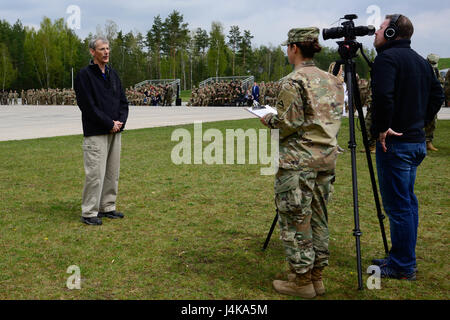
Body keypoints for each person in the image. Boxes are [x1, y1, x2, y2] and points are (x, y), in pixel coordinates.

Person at [260, 27, 344, 298]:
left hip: (298, 162)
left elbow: (289, 123)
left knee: (297, 220)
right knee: (319, 218)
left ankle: (301, 280)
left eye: (288, 47)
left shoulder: (293, 81)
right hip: (326, 160)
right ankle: (316, 277)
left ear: (294, 48)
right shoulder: (332, 80)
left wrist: (268, 119)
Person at [370, 15, 444, 279]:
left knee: (399, 206)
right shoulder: (421, 61)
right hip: (415, 142)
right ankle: (401, 256)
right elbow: (438, 95)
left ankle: (402, 265)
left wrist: (382, 127)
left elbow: (382, 96)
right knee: (407, 203)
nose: (375, 33)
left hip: (397, 144)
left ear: (391, 33)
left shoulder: (386, 60)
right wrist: (420, 123)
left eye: (380, 28)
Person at [74, 36, 129, 226]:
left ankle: (107, 207)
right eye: (102, 49)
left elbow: (123, 101)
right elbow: (88, 106)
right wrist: (108, 123)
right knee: (95, 174)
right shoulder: (84, 75)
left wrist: (120, 122)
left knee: (112, 172)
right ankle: (89, 212)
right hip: (96, 132)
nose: (106, 52)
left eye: (108, 49)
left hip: (115, 131)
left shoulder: (113, 74)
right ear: (92, 52)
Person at [424, 53, 444, 151]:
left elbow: (439, 82)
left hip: (431, 99)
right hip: (422, 98)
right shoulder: (421, 68)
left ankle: (428, 142)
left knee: (432, 121)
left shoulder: (436, 71)